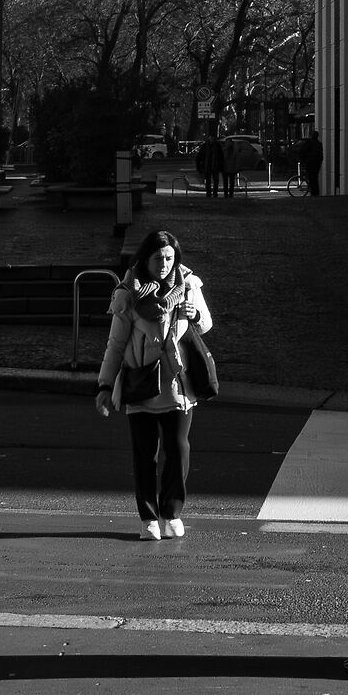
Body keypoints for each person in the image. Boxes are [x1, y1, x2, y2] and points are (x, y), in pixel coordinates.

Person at [94, 227, 212, 539]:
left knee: (178, 450)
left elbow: (206, 323)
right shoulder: (127, 294)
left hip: (178, 385)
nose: (164, 264)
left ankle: (171, 512)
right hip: (141, 384)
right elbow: (115, 345)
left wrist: (194, 314)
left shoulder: (188, 284)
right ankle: (148, 517)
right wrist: (105, 386)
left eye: (169, 258)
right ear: (146, 259)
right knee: (145, 455)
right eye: (158, 258)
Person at [298, 129, 324, 196]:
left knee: (311, 177)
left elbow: (302, 151)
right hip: (316, 164)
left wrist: (303, 160)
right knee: (315, 178)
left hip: (309, 163)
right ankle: (316, 192)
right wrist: (320, 162)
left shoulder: (308, 143)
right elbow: (321, 155)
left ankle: (313, 192)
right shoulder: (319, 144)